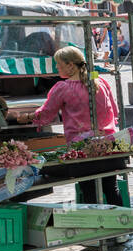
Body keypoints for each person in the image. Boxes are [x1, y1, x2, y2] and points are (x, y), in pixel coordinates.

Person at [32, 45, 122, 205]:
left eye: (59, 64)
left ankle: (97, 227)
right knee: (111, 187)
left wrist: (24, 117)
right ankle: (124, 223)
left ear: (70, 65)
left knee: (89, 190)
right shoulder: (100, 82)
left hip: (83, 150)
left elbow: (46, 114)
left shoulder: (63, 88)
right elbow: (114, 111)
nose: (57, 67)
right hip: (109, 146)